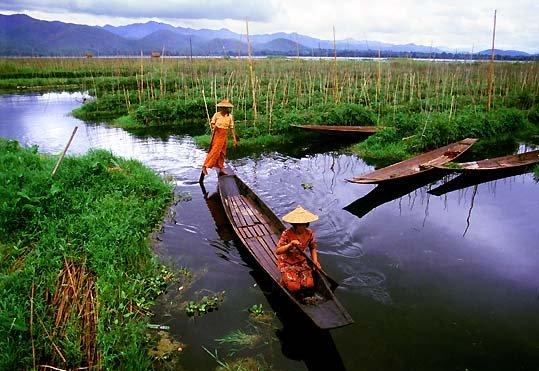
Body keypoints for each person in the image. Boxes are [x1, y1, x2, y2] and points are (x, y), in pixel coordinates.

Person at [276, 206, 321, 295]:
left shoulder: (309, 233)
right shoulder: (287, 233)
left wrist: (315, 261)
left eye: (304, 224)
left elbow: (313, 247)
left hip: (301, 261)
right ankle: (284, 280)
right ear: (295, 224)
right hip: (287, 262)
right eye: (299, 225)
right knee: (294, 287)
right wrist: (290, 244)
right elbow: (278, 251)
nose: (302, 227)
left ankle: (294, 278)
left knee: (309, 284)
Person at [201, 99, 238, 177]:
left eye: (225, 107)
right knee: (215, 151)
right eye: (222, 107)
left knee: (222, 152)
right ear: (220, 108)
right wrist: (215, 128)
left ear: (228, 108)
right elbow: (212, 123)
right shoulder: (216, 115)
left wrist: (234, 139)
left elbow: (232, 128)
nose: (223, 109)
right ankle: (205, 166)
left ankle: (221, 168)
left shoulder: (230, 116)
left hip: (224, 135)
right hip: (217, 134)